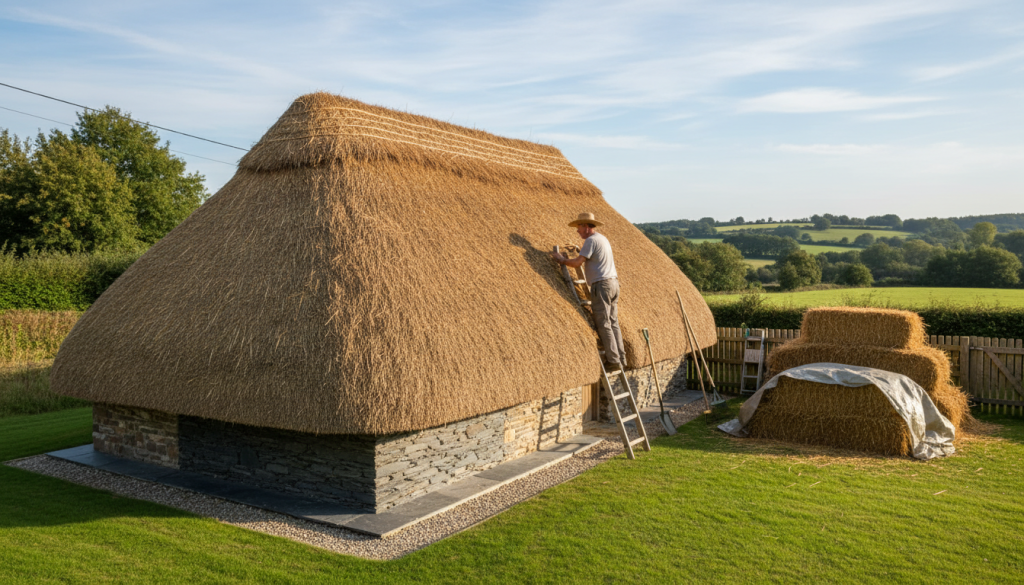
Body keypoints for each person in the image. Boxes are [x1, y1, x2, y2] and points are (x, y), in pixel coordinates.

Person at [550, 212, 627, 371]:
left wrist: (561, 260)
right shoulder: (602, 238)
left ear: (586, 226)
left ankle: (613, 361)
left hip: (602, 285)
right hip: (614, 284)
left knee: (603, 323)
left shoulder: (591, 241)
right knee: (613, 322)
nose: (577, 231)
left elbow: (578, 263)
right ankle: (622, 357)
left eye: (578, 227)